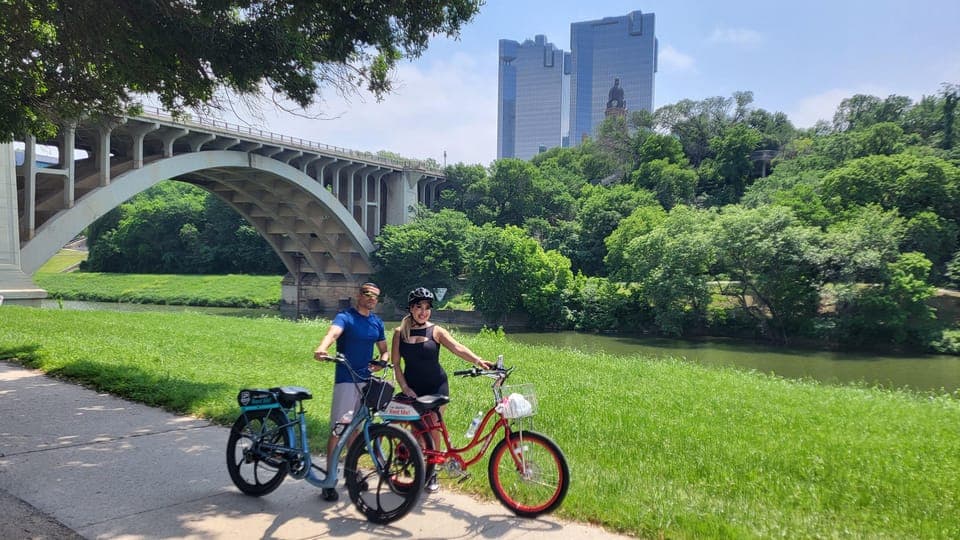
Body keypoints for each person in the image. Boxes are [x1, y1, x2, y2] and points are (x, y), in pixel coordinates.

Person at [391, 287, 491, 493]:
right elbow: (396, 364)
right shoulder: (399, 333)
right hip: (412, 389)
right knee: (416, 431)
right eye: (419, 307)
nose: (423, 312)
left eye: (427, 308)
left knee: (434, 427)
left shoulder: (436, 331)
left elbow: (457, 347)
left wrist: (478, 360)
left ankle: (432, 472)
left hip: (436, 387)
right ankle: (415, 465)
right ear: (411, 308)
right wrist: (404, 387)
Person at [314, 282, 389, 502]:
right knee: (339, 429)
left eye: (375, 296)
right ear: (358, 295)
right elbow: (334, 333)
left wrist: (381, 363)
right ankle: (329, 479)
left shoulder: (377, 322)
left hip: (367, 381)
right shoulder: (346, 316)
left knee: (355, 431)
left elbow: (384, 351)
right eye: (367, 294)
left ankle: (351, 473)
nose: (371, 299)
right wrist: (323, 347)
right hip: (347, 380)